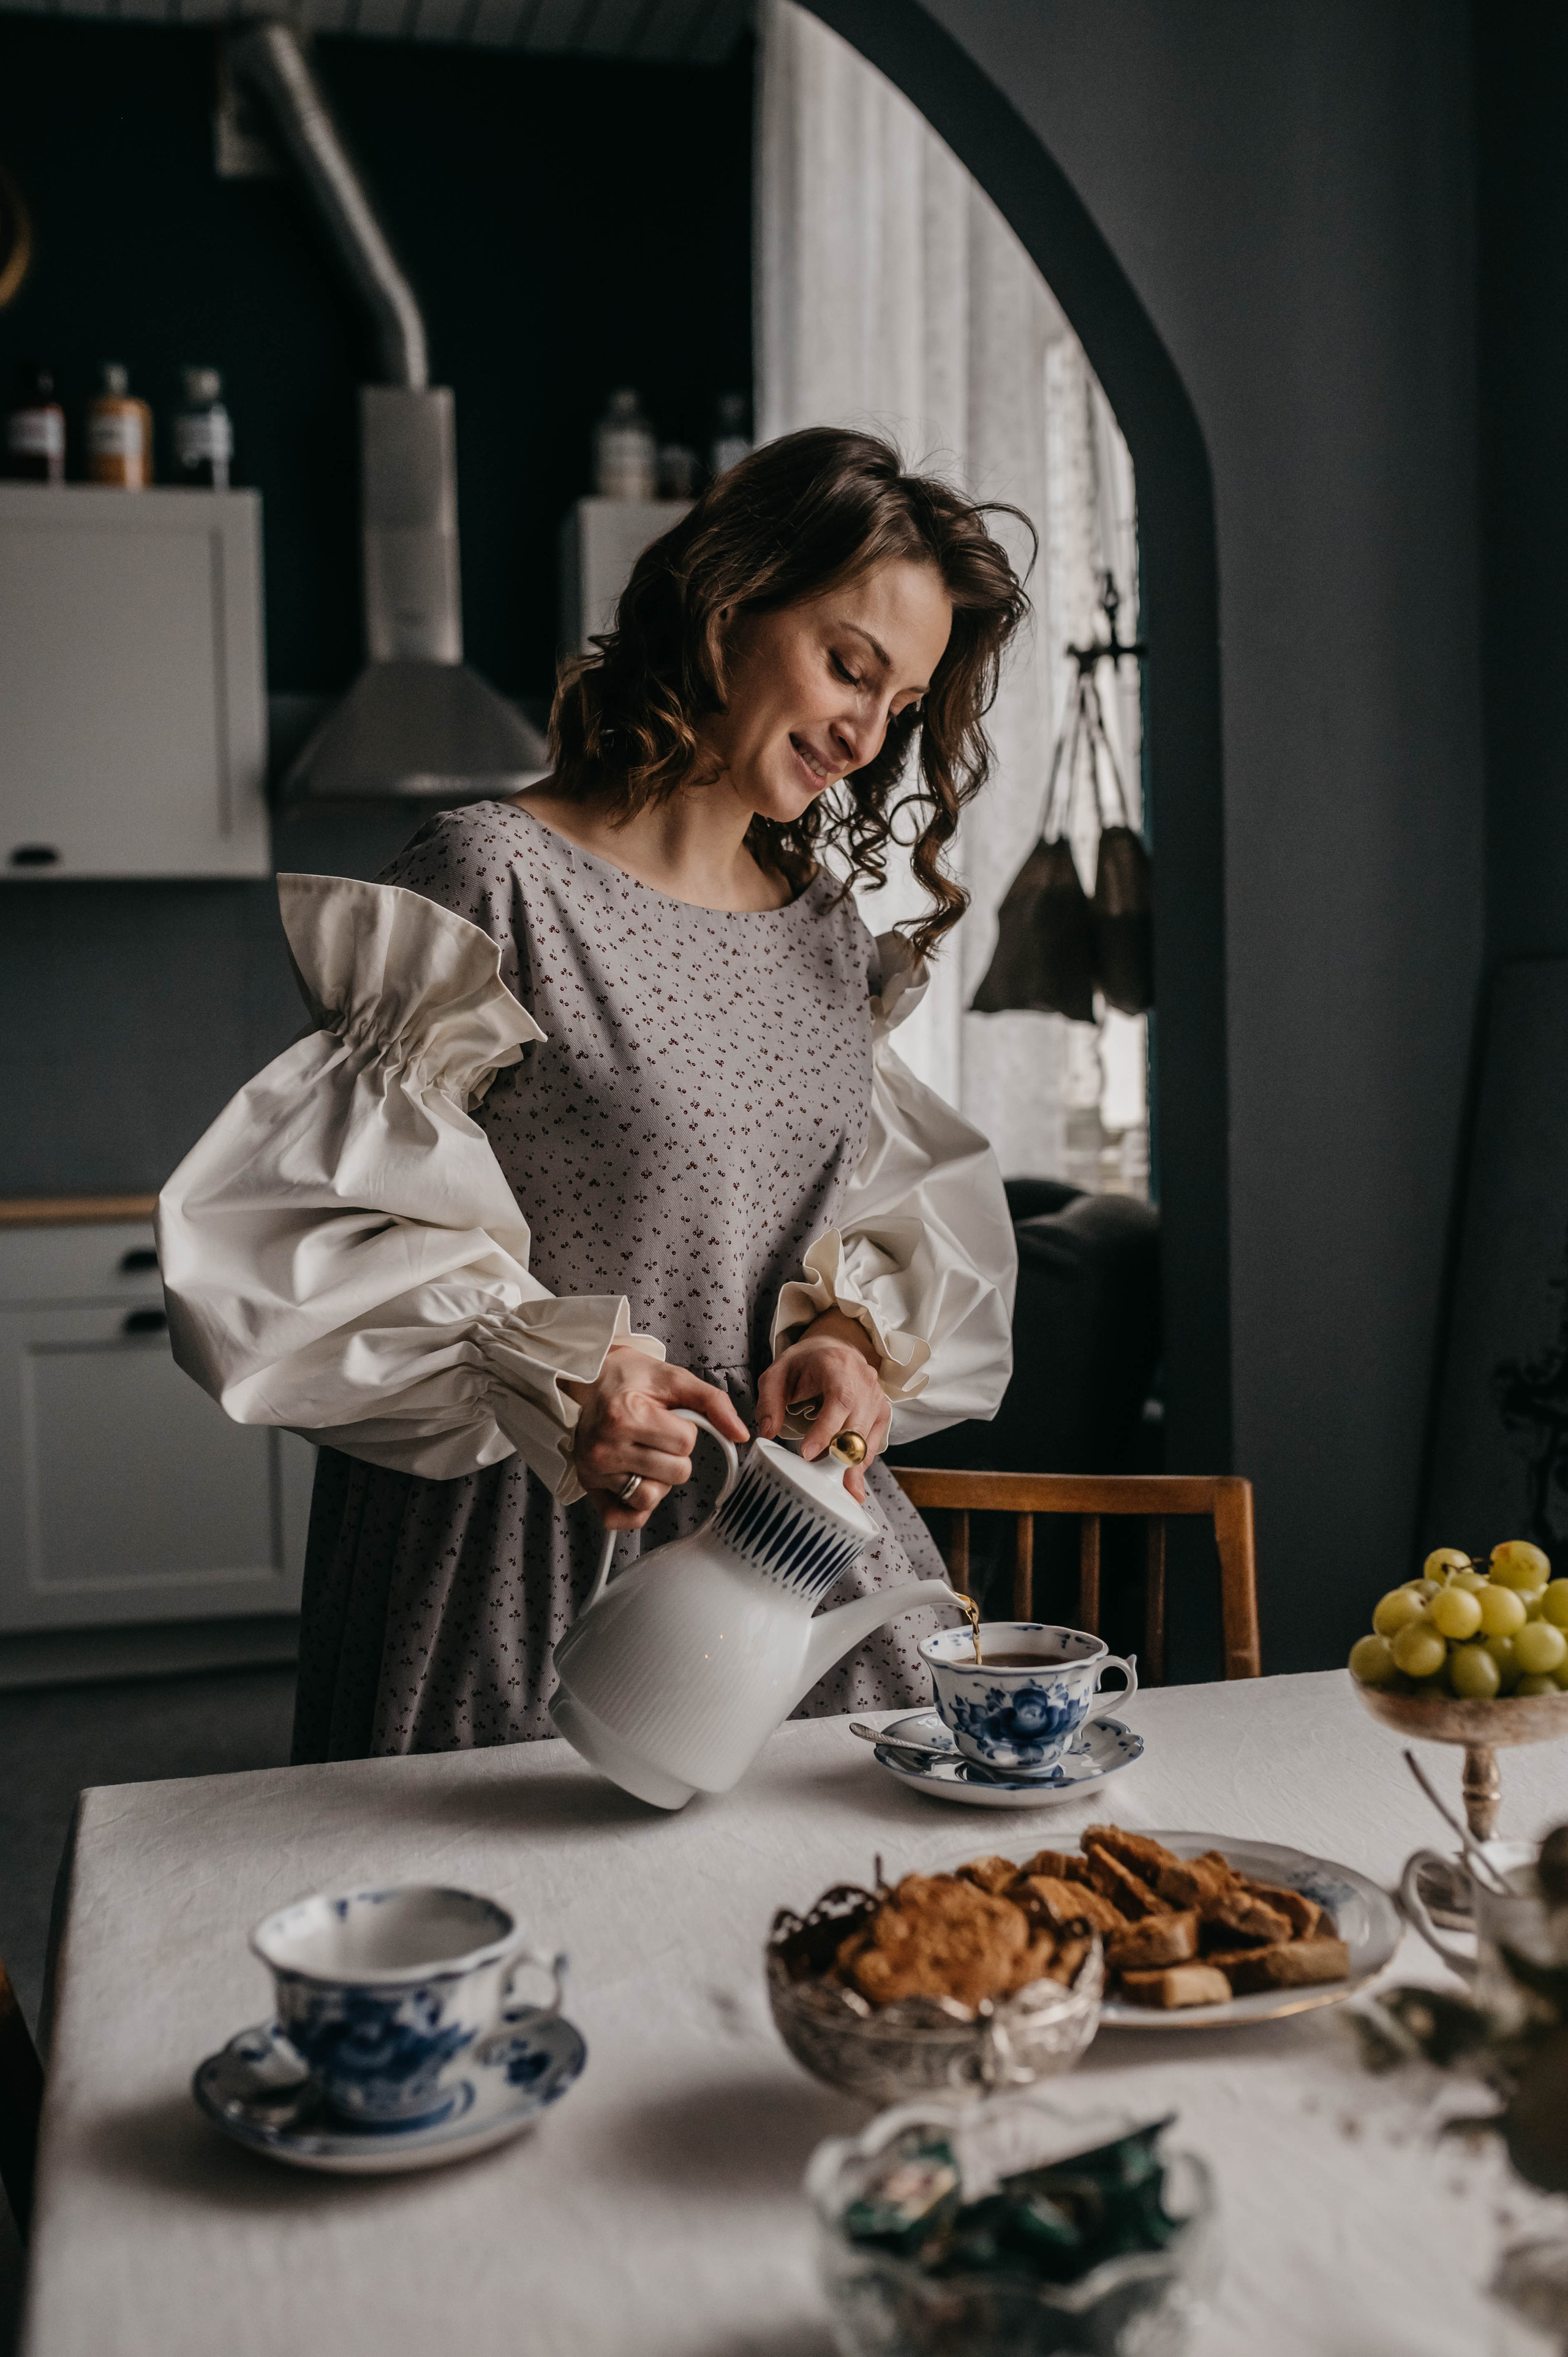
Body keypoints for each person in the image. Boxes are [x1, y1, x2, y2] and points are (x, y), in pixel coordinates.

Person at [157, 426, 1027, 1762]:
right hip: (526, 1535)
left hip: (777, 1551)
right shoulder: (494, 879)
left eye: (901, 704)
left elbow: (837, 1216)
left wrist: (846, 1338)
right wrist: (556, 1369)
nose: (866, 734)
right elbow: (320, 1232)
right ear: (728, 606)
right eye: (850, 666)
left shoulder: (828, 935)